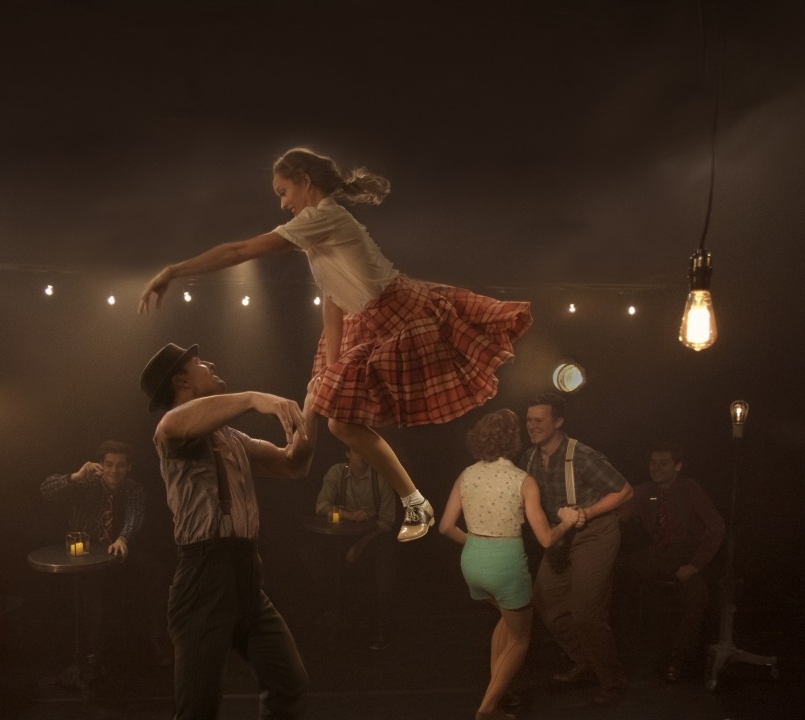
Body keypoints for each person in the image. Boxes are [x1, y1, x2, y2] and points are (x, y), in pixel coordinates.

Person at [138, 147, 533, 542]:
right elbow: (332, 302)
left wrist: (175, 270)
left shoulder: (323, 216)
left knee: (346, 419)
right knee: (341, 421)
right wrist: (331, 370)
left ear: (305, 183)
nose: (282, 204)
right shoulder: (317, 236)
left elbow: (242, 251)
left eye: (283, 192)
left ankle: (414, 501)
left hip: (394, 309)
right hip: (362, 320)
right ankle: (415, 501)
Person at [140, 342, 317, 720]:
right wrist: (255, 398)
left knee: (290, 683)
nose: (212, 364)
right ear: (181, 379)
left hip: (246, 575)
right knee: (198, 708)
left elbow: (293, 465)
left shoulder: (232, 438)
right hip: (204, 579)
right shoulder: (170, 427)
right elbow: (174, 424)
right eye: (200, 363)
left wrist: (313, 407)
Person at [440, 409, 579, 720]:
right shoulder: (522, 481)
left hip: (472, 564)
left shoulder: (467, 474)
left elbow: (446, 527)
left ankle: (499, 699)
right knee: (520, 638)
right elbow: (545, 539)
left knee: (505, 621)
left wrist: (476, 545)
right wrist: (567, 522)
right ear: (512, 441)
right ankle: (487, 709)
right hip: (504, 566)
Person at [521, 393, 633, 705]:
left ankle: (612, 680)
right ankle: (585, 660)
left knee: (586, 611)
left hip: (594, 533)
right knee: (545, 602)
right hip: (559, 536)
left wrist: (587, 513)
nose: (532, 425)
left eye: (539, 420)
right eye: (529, 420)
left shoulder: (581, 455)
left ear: (558, 422)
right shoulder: (529, 458)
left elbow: (624, 491)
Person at [40, 440, 169, 678]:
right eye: (109, 464)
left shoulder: (133, 488)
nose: (114, 470)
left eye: (120, 465)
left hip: (120, 549)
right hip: (87, 552)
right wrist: (76, 476)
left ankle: (156, 640)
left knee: (155, 572)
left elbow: (135, 516)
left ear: (128, 467)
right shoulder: (86, 484)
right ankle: (93, 652)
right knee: (89, 586)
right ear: (100, 465)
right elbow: (46, 491)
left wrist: (123, 538)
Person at [616, 441, 725, 682]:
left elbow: (716, 527)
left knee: (696, 594)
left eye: (663, 463)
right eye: (653, 463)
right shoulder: (645, 491)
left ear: (678, 466)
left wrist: (695, 564)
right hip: (660, 553)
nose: (656, 468)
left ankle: (680, 660)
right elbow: (623, 512)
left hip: (689, 554)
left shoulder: (689, 489)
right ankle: (622, 650)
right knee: (620, 572)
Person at [311, 448, 398, 649]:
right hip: (344, 535)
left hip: (375, 535)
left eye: (365, 448)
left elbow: (387, 522)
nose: (364, 454)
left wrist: (359, 546)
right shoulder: (337, 472)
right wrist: (348, 514)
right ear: (348, 454)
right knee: (313, 555)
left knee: (384, 572)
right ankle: (333, 615)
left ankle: (382, 629)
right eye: (358, 450)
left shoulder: (380, 477)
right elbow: (321, 506)